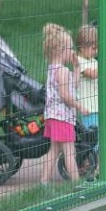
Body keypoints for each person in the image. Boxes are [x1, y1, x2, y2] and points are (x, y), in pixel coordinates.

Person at [40, 23, 89, 183]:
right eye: (70, 48)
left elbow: (72, 86)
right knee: (69, 151)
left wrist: (76, 68)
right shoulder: (62, 71)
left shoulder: (53, 69)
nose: (72, 52)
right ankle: (76, 183)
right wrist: (79, 106)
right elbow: (65, 95)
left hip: (52, 116)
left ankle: (44, 182)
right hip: (62, 118)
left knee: (53, 150)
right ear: (62, 50)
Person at [75, 25, 98, 131]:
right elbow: (92, 75)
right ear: (82, 47)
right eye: (93, 48)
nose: (96, 51)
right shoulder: (79, 62)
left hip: (97, 106)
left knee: (99, 133)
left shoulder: (94, 61)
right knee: (91, 134)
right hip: (88, 108)